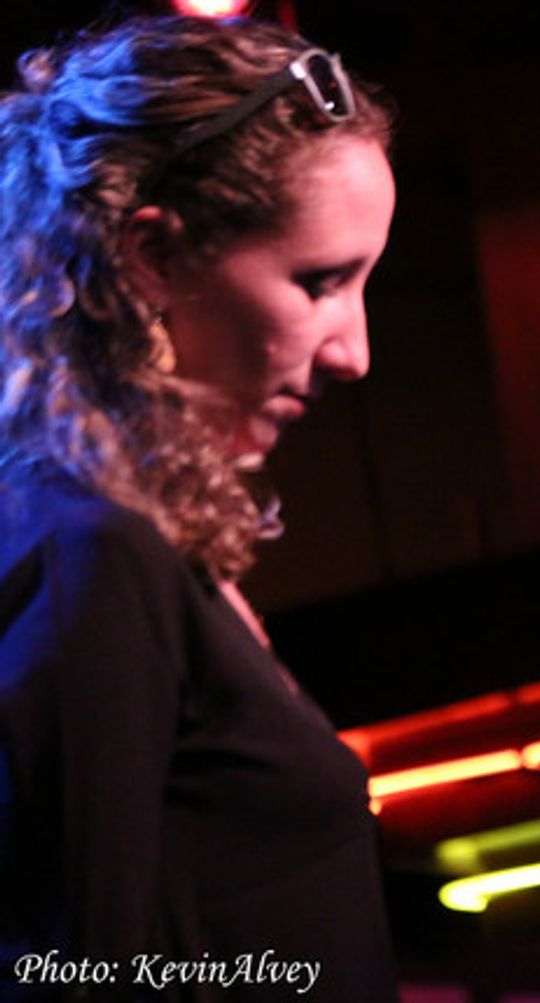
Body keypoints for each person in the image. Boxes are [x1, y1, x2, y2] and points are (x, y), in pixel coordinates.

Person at [0, 15, 397, 1001]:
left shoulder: (138, 544)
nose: (355, 353)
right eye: (320, 282)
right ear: (150, 258)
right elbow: (77, 968)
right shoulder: (95, 550)